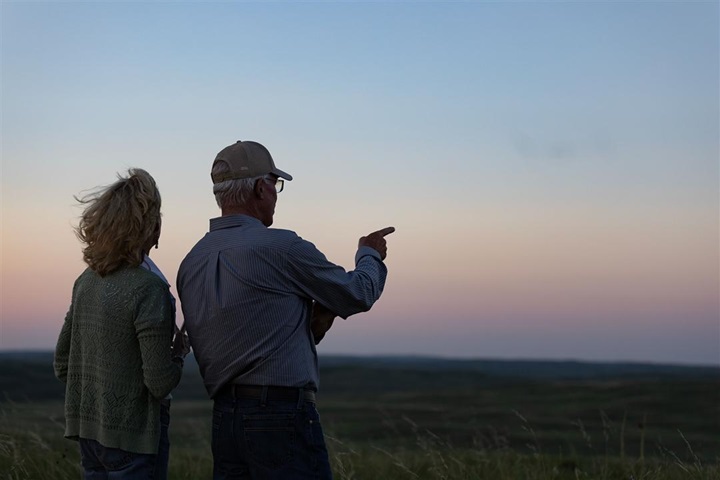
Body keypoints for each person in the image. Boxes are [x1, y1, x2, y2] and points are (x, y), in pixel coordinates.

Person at [177, 140, 394, 480]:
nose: (276, 194)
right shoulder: (282, 247)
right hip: (280, 416)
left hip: (225, 419)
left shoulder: (192, 261)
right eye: (276, 185)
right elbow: (358, 293)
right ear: (261, 189)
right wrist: (369, 254)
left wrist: (311, 328)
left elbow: (245, 334)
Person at [54, 168, 189, 480]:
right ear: (148, 226)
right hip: (134, 440)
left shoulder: (85, 282)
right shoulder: (149, 288)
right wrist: (179, 353)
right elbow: (159, 382)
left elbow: (63, 365)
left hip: (88, 436)